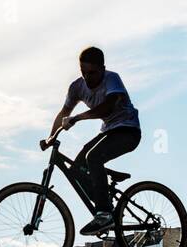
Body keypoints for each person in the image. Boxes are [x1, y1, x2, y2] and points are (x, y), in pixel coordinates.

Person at [48, 46, 141, 235]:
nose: (88, 78)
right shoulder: (77, 87)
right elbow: (64, 113)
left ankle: (104, 214)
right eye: (84, 73)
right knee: (76, 169)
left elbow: (106, 108)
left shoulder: (112, 79)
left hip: (128, 131)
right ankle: (106, 204)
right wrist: (50, 137)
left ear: (103, 69)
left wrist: (78, 118)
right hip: (108, 131)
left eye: (92, 73)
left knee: (93, 157)